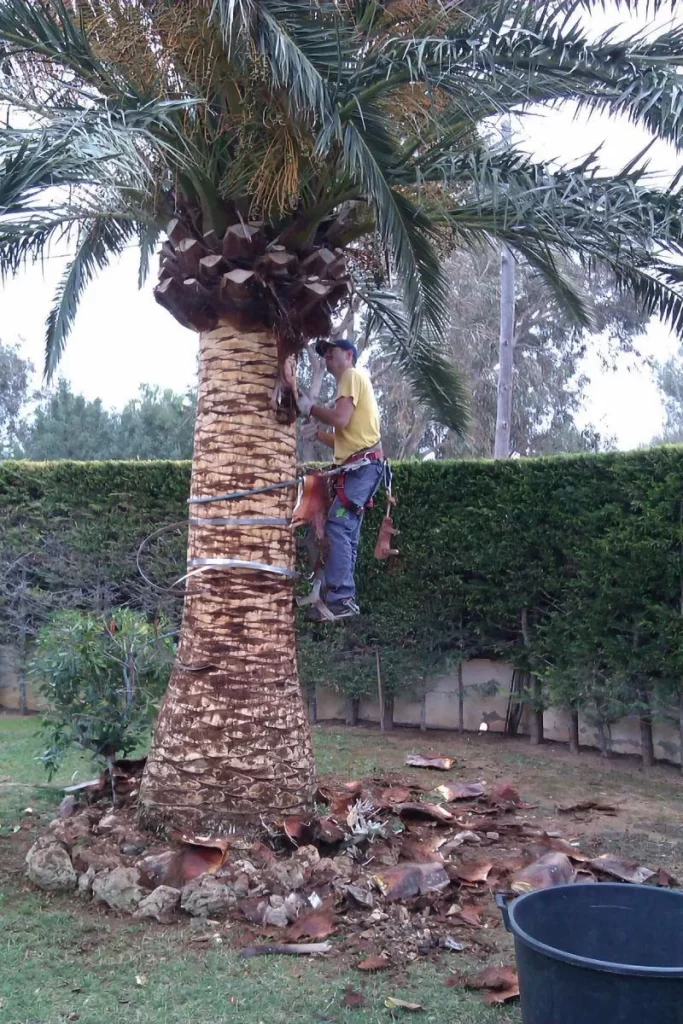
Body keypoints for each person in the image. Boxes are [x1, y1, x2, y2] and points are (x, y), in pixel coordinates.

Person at [297, 338, 383, 620]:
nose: (327, 358)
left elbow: (342, 419)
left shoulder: (351, 375)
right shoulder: (353, 381)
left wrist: (310, 408)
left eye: (332, 352)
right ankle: (340, 596)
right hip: (361, 466)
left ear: (349, 354)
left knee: (338, 526)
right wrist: (319, 435)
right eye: (324, 355)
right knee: (347, 531)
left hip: (360, 469)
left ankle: (342, 597)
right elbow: (349, 438)